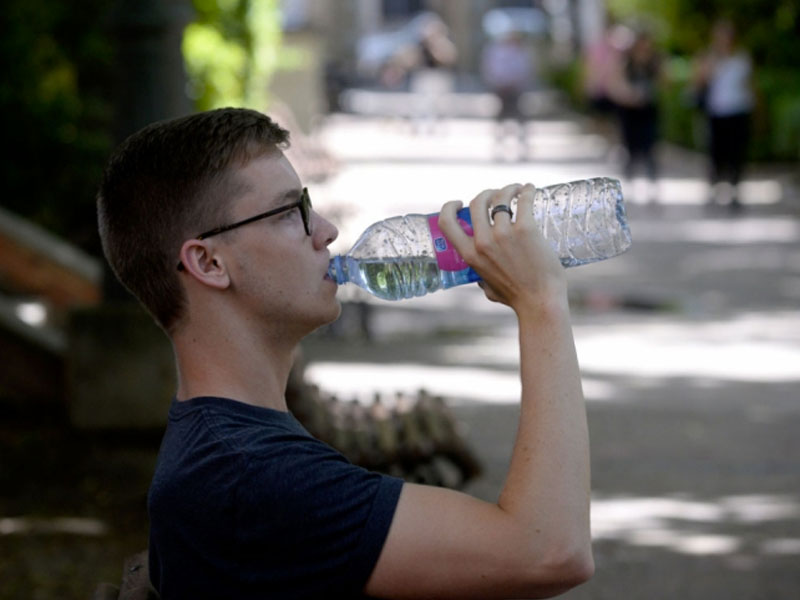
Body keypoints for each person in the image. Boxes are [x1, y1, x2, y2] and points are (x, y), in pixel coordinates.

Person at [96, 107, 594, 599]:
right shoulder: (252, 481)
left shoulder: (227, 449)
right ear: (208, 262)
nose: (327, 230)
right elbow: (549, 550)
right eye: (291, 212)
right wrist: (541, 304)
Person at [692, 19, 754, 211]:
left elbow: (751, 85)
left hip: (739, 110)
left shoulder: (742, 58)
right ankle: (714, 188)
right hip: (716, 112)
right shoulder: (708, 57)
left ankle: (735, 190)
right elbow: (698, 82)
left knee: (737, 152)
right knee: (715, 151)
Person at [609, 29, 662, 204]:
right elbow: (616, 85)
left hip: (648, 111)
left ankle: (652, 184)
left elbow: (663, 83)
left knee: (650, 148)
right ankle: (630, 184)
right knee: (630, 148)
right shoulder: (627, 65)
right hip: (630, 112)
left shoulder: (654, 64)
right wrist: (630, 96)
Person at [481, 30, 534, 160]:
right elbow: (491, 69)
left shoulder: (521, 52)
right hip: (501, 89)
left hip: (516, 90)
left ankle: (522, 148)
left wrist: (516, 83)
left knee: (520, 119)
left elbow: (525, 70)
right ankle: (499, 148)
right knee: (501, 119)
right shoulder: (497, 51)